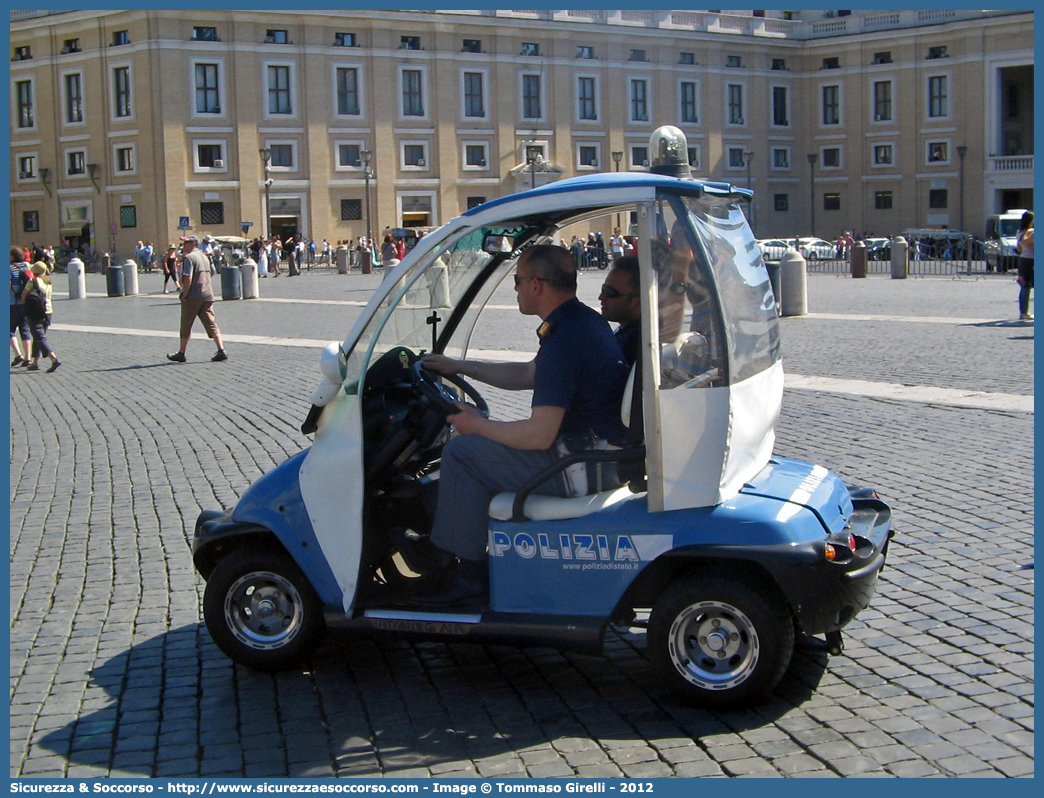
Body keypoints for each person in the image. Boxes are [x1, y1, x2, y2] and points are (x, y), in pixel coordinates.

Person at [416, 244, 629, 605]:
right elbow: (531, 372)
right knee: (476, 440)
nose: (514, 289)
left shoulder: (565, 340)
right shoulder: (579, 321)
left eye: (516, 281)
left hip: (578, 467)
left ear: (535, 285)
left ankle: (465, 575)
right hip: (593, 452)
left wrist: (476, 425)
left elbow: (537, 435)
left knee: (461, 453)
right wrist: (461, 367)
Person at [166, 235, 227, 363]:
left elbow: (187, 278)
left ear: (193, 244)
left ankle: (182, 352)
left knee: (186, 324)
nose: (183, 246)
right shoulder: (204, 256)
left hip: (194, 295)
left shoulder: (189, 258)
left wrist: (185, 294)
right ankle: (221, 349)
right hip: (208, 294)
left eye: (186, 243)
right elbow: (212, 272)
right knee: (211, 322)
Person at [599, 256, 642, 368]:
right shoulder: (629, 332)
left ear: (636, 300)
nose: (601, 297)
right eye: (603, 289)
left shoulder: (633, 345)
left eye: (610, 292)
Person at [22, 261, 60, 372]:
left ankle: (54, 359)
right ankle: (35, 362)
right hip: (48, 312)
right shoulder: (48, 282)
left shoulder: (32, 281)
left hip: (35, 312)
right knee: (38, 337)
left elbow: (24, 295)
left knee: (39, 338)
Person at [10, 246, 33, 367]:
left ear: (12, 256)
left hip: (12, 302)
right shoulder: (26, 266)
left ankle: (19, 355)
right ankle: (28, 357)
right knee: (24, 330)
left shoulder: (9, 268)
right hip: (25, 302)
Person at [1015, 211, 1034, 321]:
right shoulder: (1031, 231)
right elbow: (1026, 243)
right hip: (1031, 260)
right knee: (1027, 287)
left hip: (1023, 259)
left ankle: (1023, 312)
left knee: (1024, 286)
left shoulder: (1019, 231)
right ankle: (1024, 312)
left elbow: (1019, 247)